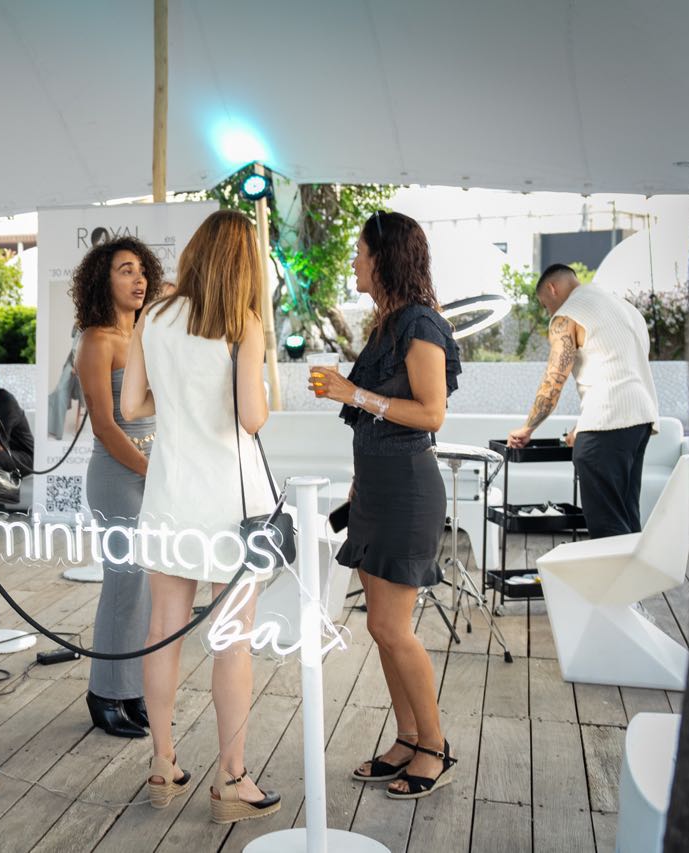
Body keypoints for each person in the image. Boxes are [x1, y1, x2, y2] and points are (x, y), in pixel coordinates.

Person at [122, 209, 281, 824]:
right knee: (232, 640)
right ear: (246, 265)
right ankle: (232, 779)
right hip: (231, 504)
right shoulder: (243, 322)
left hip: (170, 494)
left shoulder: (154, 317)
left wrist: (178, 394)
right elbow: (252, 418)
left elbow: (132, 405)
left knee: (162, 629)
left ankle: (162, 763)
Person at [308, 210, 460, 800]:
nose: (353, 261)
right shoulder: (386, 325)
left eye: (359, 252)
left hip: (408, 492)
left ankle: (435, 747)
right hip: (373, 490)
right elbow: (374, 422)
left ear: (384, 258)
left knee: (394, 629)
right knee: (379, 627)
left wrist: (353, 393)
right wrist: (357, 480)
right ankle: (408, 738)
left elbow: (431, 413)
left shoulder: (420, 323)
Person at [73, 236, 163, 738]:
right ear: (102, 281)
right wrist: (152, 472)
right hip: (117, 476)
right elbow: (105, 427)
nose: (138, 279)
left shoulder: (148, 334)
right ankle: (104, 693)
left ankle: (131, 689)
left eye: (141, 270)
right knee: (123, 581)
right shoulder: (96, 340)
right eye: (125, 270)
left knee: (148, 587)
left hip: (153, 473)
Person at [507, 264, 659, 538]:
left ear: (552, 288)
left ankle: (611, 567)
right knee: (626, 518)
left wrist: (528, 428)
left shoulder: (568, 314)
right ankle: (634, 569)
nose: (548, 312)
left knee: (607, 525)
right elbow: (618, 368)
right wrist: (584, 424)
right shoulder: (624, 308)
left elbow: (554, 380)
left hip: (608, 423)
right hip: (641, 420)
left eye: (545, 304)